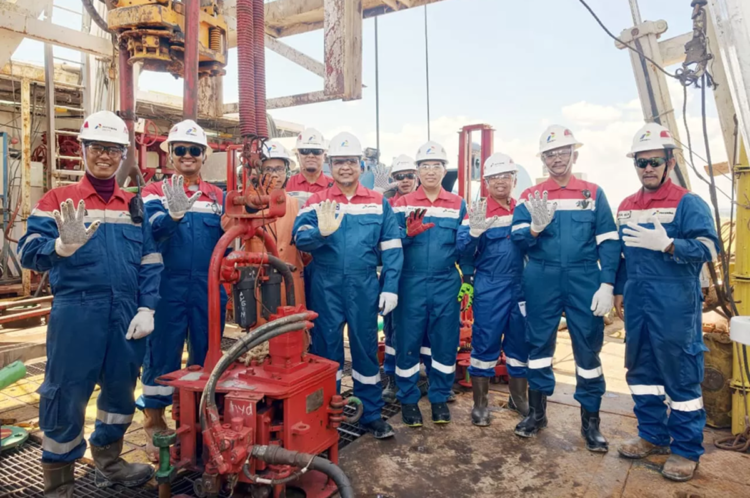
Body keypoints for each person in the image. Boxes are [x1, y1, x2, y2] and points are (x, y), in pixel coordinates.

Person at [18, 111, 162, 495]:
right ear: (83, 150)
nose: (105, 156)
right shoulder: (58, 200)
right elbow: (28, 251)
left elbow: (150, 260)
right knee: (65, 392)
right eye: (97, 147)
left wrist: (147, 307)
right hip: (77, 312)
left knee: (120, 389)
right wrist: (59, 246)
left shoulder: (133, 206)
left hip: (126, 313)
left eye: (113, 149)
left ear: (122, 155)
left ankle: (109, 461)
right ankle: (59, 483)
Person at [614, 123, 719, 481]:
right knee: (641, 371)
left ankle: (686, 450)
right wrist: (618, 289)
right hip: (638, 300)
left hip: (674, 302)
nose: (648, 168)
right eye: (641, 162)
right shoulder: (626, 206)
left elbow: (710, 247)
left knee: (680, 373)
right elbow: (622, 256)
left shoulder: (688, 202)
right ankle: (652, 435)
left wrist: (670, 245)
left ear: (670, 163)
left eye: (655, 161)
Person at [511, 125, 619, 452]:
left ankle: (591, 423)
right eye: (550, 154)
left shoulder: (592, 193)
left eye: (562, 152)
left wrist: (607, 283)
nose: (557, 158)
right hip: (541, 277)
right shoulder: (531, 196)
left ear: (574, 154)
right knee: (538, 345)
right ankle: (537, 414)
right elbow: (517, 237)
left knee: (588, 349)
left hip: (583, 277)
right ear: (543, 159)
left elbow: (608, 240)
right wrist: (534, 228)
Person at [292, 132, 403, 439]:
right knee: (326, 350)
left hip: (363, 284)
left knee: (365, 349)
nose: (345, 167)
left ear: (361, 165)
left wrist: (390, 286)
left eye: (351, 161)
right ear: (330, 164)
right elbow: (299, 238)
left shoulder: (378, 203)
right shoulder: (317, 201)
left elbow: (392, 247)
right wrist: (321, 233)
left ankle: (371, 414)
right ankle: (328, 415)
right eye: (339, 161)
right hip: (325, 284)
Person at [137, 120, 227, 461]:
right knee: (162, 352)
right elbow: (151, 232)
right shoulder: (153, 192)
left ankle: (200, 417)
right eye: (180, 150)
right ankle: (154, 422)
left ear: (204, 155)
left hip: (208, 287)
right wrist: (171, 216)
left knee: (207, 352)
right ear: (170, 155)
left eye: (194, 150)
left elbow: (230, 240)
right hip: (166, 286)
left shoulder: (217, 197)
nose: (187, 155)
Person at [393, 141, 472, 426]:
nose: (430, 171)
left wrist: (468, 277)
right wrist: (406, 235)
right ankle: (408, 399)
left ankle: (439, 397)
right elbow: (388, 243)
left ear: (444, 170)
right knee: (407, 341)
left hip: (445, 281)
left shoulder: (458, 204)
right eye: (424, 166)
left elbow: (465, 246)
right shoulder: (402, 203)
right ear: (417, 171)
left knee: (445, 342)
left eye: (436, 166)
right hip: (410, 281)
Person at [457, 153, 529, 426]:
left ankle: (518, 398)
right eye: (494, 177)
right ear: (486, 182)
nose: (500, 181)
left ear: (514, 179)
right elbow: (462, 250)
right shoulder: (476, 212)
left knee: (520, 342)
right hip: (490, 285)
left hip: (521, 286)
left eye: (505, 176)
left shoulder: (523, 209)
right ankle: (480, 404)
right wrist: (473, 234)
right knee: (485, 341)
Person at [224, 140, 306, 309]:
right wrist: (251, 207)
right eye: (268, 169)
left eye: (279, 169)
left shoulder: (297, 205)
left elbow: (306, 252)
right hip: (258, 284)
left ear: (287, 171)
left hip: (291, 283)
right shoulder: (246, 201)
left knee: (294, 324)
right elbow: (227, 226)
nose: (274, 175)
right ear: (259, 172)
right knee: (261, 325)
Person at [381, 154, 421, 404]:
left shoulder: (428, 202)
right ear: (393, 179)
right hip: (394, 276)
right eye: (399, 176)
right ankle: (393, 379)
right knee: (393, 330)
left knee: (426, 330)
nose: (405, 180)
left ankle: (428, 378)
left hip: (422, 277)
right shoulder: (386, 204)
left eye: (409, 175)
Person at [286, 128, 333, 205]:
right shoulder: (286, 184)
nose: (311, 155)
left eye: (316, 151)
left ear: (324, 157)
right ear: (297, 156)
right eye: (305, 151)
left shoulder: (335, 187)